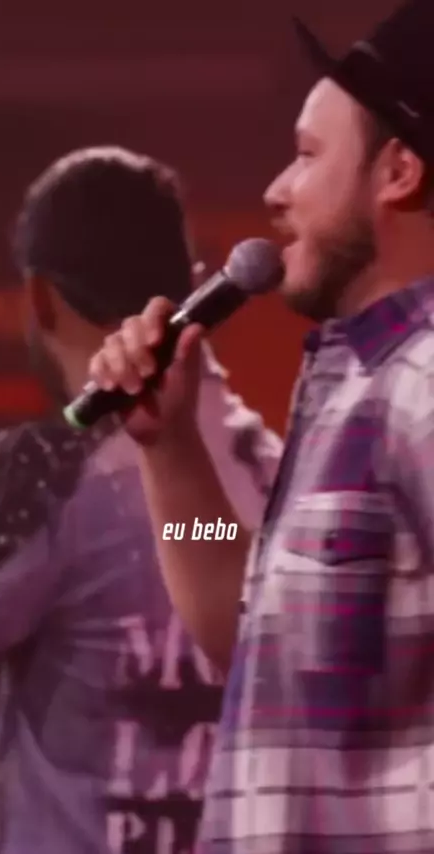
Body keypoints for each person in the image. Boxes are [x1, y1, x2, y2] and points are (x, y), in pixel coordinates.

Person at [87, 0, 434, 851]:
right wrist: (171, 449)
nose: (277, 190)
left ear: (398, 171)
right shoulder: (353, 386)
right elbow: (249, 628)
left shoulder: (424, 387)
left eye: (308, 155)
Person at [0, 146, 280, 853]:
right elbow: (206, 543)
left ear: (39, 297)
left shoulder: (45, 476)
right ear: (193, 282)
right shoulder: (273, 471)